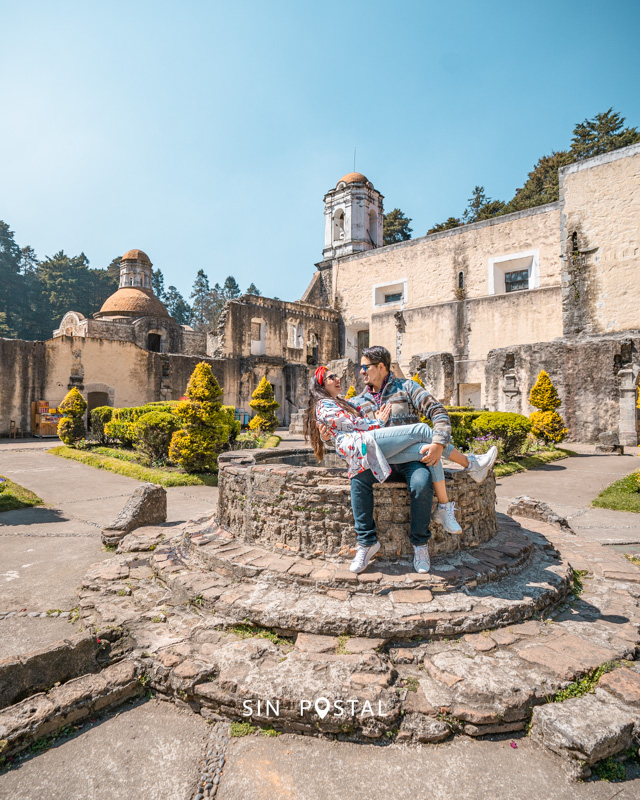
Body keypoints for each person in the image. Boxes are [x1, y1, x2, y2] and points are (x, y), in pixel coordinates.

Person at [307, 358, 497, 574]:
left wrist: (438, 443)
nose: (360, 372)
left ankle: (420, 543)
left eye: (365, 367)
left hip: (406, 459)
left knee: (423, 474)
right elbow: (344, 427)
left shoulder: (406, 387)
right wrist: (327, 437)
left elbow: (437, 410)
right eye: (332, 376)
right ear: (322, 384)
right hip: (374, 453)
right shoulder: (356, 401)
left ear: (381, 366)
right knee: (363, 475)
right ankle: (470, 465)